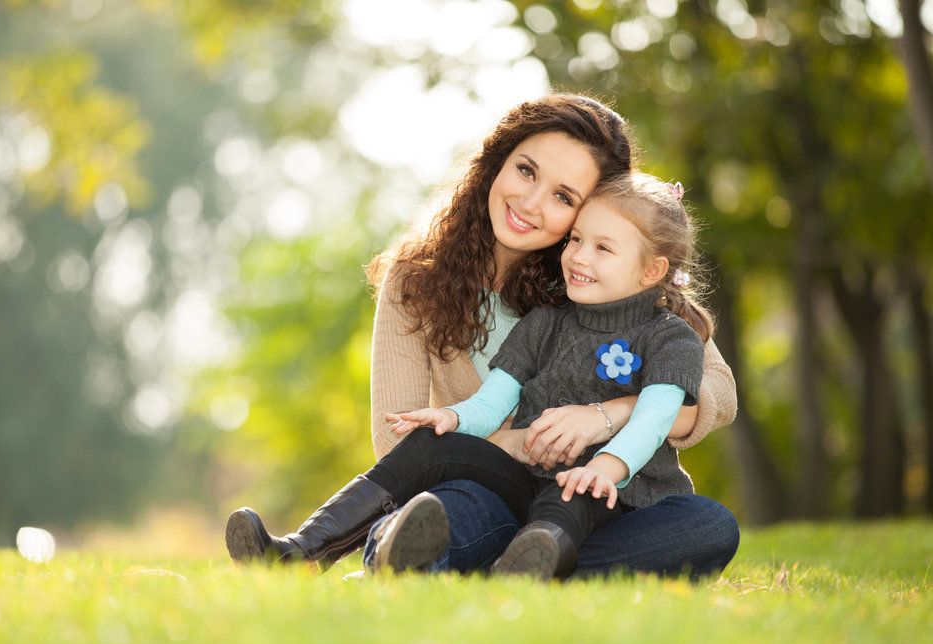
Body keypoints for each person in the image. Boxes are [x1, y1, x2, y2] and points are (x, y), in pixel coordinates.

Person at [225, 94, 738, 578]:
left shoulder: (596, 282)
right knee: (440, 514)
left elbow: (712, 394)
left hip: (590, 499)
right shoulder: (417, 280)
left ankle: (515, 567)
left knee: (706, 525)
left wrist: (605, 417)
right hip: (485, 489)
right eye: (526, 170)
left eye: (563, 196)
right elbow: (397, 441)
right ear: (497, 159)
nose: (532, 202)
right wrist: (521, 443)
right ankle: (317, 554)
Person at [379, 172, 709, 579]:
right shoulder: (548, 318)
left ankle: (520, 565)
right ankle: (322, 545)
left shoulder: (668, 332)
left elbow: (675, 409)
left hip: (611, 501)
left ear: (651, 270)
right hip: (511, 483)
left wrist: (604, 442)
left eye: (602, 247)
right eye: (576, 239)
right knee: (447, 502)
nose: (579, 257)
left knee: (706, 522)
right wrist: (460, 421)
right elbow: (482, 405)